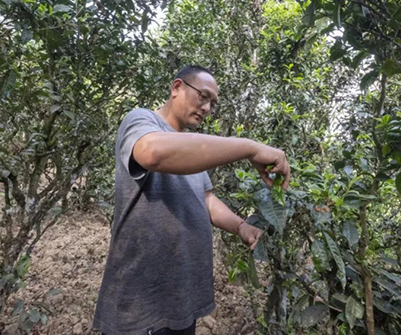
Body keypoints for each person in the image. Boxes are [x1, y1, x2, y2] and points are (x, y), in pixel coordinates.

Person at [92, 65, 290, 335]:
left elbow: (205, 198)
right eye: (203, 96)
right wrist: (250, 147)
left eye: (213, 103)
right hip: (140, 298)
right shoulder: (141, 120)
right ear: (176, 88)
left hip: (183, 296)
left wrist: (241, 226)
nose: (207, 107)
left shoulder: (188, 147)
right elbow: (152, 153)